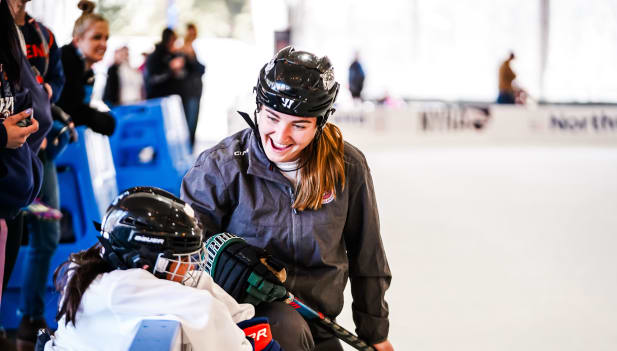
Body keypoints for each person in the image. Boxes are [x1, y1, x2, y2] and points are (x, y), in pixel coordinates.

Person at [181, 46, 393, 351]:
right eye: (272, 118)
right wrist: (222, 263)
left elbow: (367, 254)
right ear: (257, 108)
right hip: (245, 326)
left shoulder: (347, 166)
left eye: (300, 125)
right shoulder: (222, 166)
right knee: (283, 327)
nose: (281, 136)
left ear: (321, 123)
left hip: (318, 323)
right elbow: (184, 256)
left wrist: (376, 334)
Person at [43, 186, 282, 351]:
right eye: (181, 259)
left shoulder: (121, 267)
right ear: (145, 261)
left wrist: (249, 329)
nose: (189, 265)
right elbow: (203, 308)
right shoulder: (115, 288)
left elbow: (197, 283)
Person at [6, 1, 67, 349]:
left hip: (38, 155)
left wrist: (48, 98)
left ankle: (29, 316)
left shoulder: (42, 35)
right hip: (10, 153)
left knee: (46, 231)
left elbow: (55, 80)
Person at [1, 0, 52, 347]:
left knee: (41, 236)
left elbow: (30, 103)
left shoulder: (34, 34)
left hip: (9, 195)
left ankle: (28, 316)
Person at [56, 0, 115, 137]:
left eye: (106, 38)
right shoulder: (65, 61)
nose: (103, 44)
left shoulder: (88, 71)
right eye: (96, 38)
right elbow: (68, 110)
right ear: (77, 40)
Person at [179, 23, 205, 147]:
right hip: (188, 92)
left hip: (195, 91)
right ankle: (187, 147)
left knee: (193, 121)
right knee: (188, 122)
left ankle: (190, 147)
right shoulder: (183, 50)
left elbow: (201, 68)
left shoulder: (194, 48)